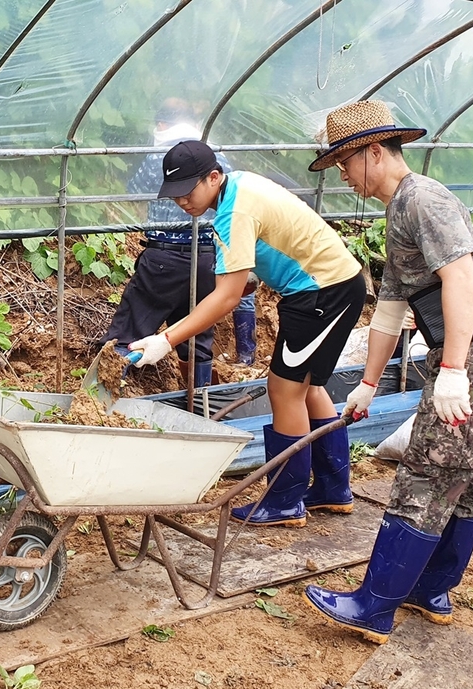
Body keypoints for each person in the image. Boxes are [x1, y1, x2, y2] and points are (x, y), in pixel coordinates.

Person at [302, 100, 473, 644]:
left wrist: (453, 370)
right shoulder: (400, 207)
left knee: (428, 476)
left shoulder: (423, 199)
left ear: (373, 152)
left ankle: (373, 607)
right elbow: (391, 307)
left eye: (344, 164)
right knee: (464, 480)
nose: (343, 177)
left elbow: (462, 280)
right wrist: (369, 383)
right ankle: (430, 590)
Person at [129, 140, 366, 528]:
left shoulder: (232, 211)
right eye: (174, 194)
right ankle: (331, 488)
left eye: (189, 191)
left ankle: (286, 500)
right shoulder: (239, 188)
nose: (182, 202)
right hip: (332, 286)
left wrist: (165, 339)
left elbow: (226, 297)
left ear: (213, 176)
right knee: (307, 388)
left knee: (284, 390)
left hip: (319, 293)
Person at [102, 98, 254, 387]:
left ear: (161, 124)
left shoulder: (159, 155)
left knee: (129, 329)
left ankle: (97, 400)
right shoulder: (214, 154)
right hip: (209, 257)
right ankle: (199, 406)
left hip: (165, 257)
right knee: (196, 335)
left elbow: (135, 189)